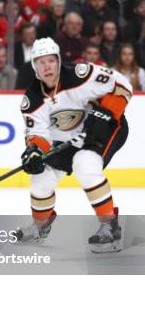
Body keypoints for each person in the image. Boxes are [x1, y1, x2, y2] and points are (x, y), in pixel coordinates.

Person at [17, 37, 132, 253]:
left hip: (106, 127)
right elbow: (38, 134)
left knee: (85, 163)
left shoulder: (81, 75)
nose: (47, 67)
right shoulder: (31, 99)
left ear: (59, 61)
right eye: (41, 62)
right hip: (69, 138)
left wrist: (105, 113)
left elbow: (123, 86)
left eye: (51, 60)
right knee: (41, 178)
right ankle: (40, 227)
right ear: (34, 67)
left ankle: (111, 227)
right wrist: (34, 151)